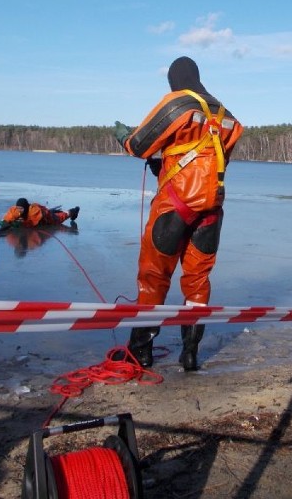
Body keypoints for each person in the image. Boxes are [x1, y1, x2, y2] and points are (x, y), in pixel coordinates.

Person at [115, 56, 244, 371]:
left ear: (175, 79)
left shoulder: (178, 103)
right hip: (211, 209)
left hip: (176, 205)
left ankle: (140, 351)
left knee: (153, 277)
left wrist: (121, 135)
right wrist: (167, 162)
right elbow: (207, 156)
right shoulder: (227, 116)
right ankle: (190, 354)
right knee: (198, 279)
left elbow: (138, 145)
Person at [0, 198, 79, 229]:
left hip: (47, 217)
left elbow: (32, 223)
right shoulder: (15, 210)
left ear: (26, 207)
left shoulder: (34, 211)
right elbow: (7, 218)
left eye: (21, 208)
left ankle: (74, 210)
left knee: (61, 216)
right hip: (37, 217)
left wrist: (19, 224)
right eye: (18, 208)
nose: (19, 210)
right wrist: (5, 222)